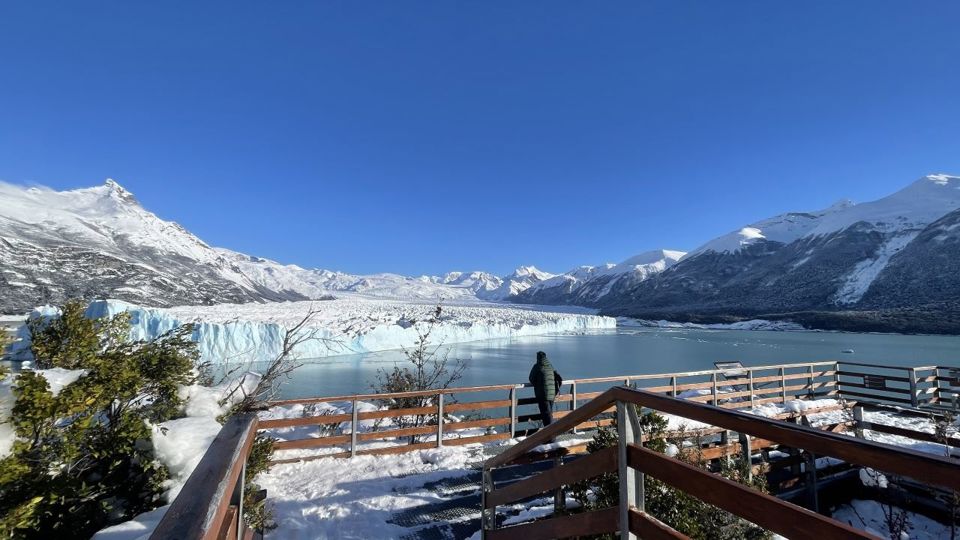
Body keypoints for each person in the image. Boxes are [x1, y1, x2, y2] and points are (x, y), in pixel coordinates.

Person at [529, 351, 563, 427]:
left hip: (543, 395)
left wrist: (537, 384)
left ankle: (551, 437)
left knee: (546, 417)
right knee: (549, 414)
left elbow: (531, 378)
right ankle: (550, 436)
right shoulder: (550, 365)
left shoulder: (537, 366)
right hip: (552, 395)